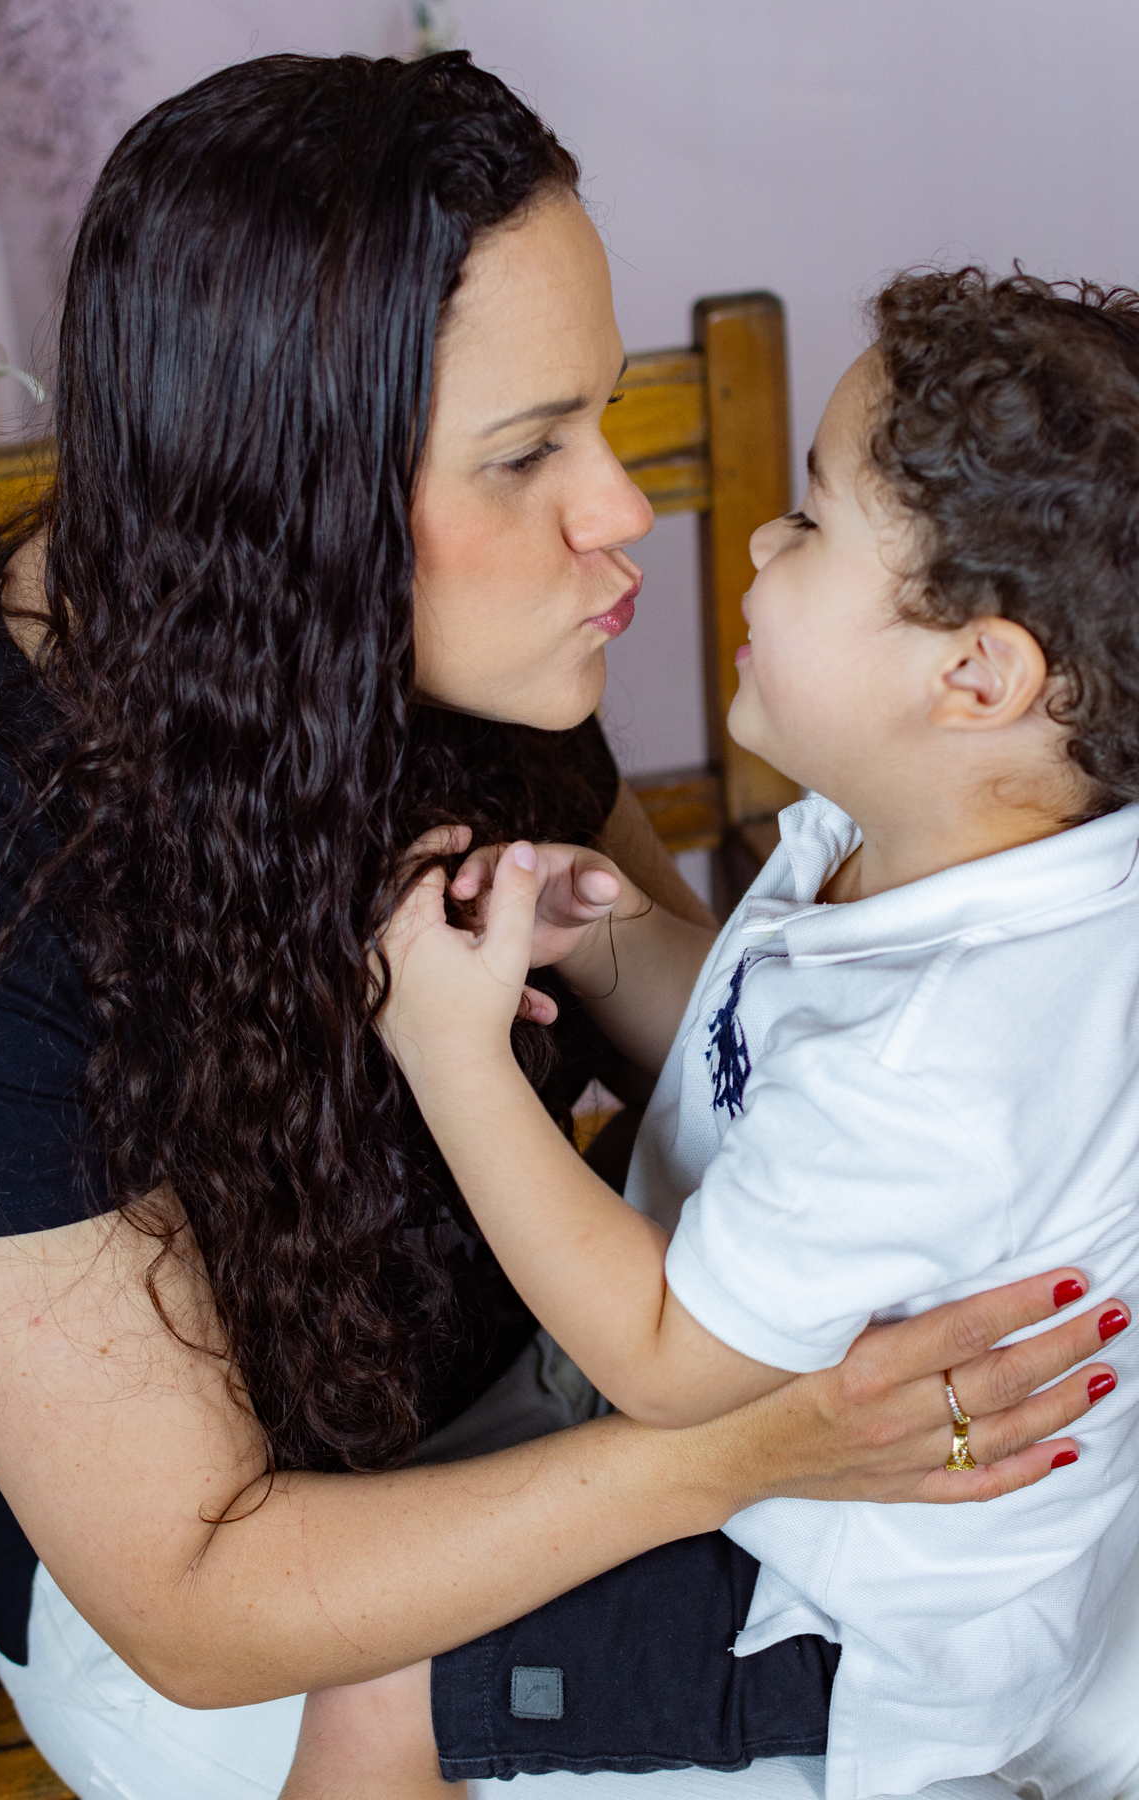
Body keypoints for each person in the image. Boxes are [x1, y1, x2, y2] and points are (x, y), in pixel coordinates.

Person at [0, 54, 1117, 1800]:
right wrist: (749, 1445)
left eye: (602, 413)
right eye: (527, 452)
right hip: (277, 1608)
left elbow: (736, 1050)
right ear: (298, 501)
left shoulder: (456, 637)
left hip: (600, 1396)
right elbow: (195, 1605)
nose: (624, 509)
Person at [377, 268, 1139, 1798]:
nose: (755, 549)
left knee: (376, 1683)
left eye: (807, 521)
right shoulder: (947, 849)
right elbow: (753, 1058)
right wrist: (606, 943)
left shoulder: (939, 1062)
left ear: (973, 674)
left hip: (844, 1616)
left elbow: (667, 1362)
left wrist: (449, 1057)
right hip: (830, 1486)